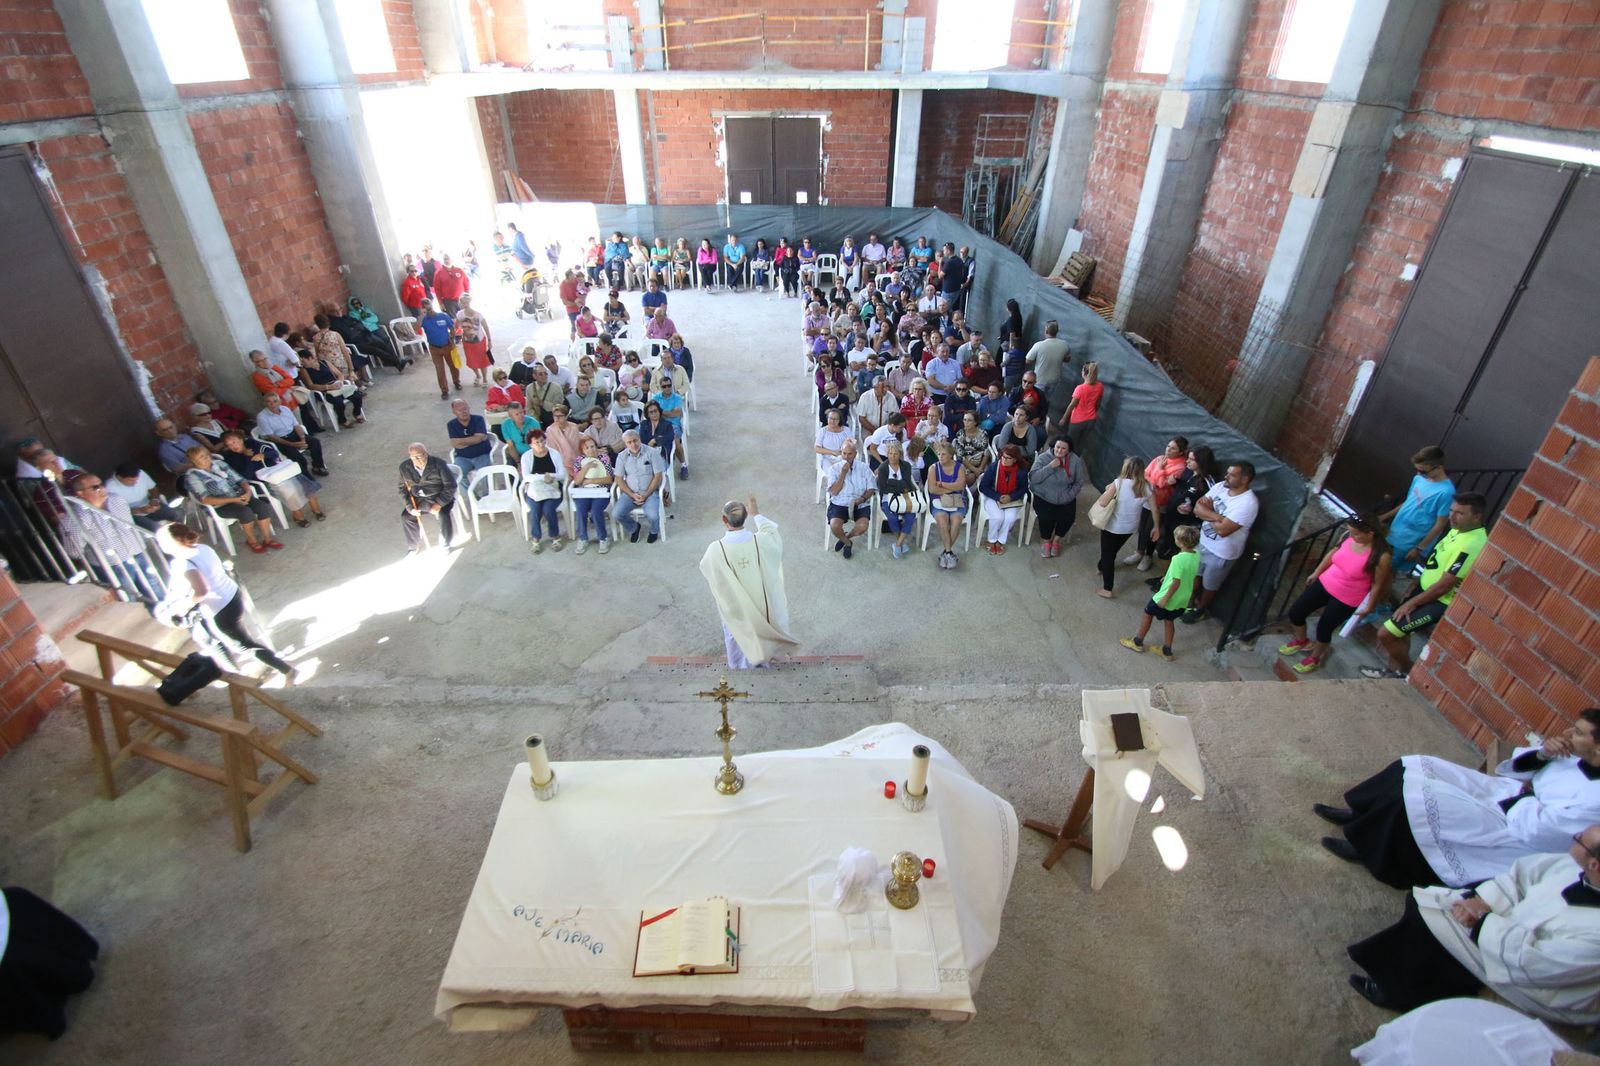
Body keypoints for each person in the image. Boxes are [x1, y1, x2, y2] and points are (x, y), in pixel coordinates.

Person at [1344, 823, 1600, 1022]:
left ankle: (1401, 993)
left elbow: (1538, 965)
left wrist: (1483, 920)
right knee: (1427, 901)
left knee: (1430, 922)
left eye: (1580, 839)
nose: (1574, 835)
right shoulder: (1573, 865)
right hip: (1504, 922)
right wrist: (1484, 901)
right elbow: (1522, 875)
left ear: (1595, 864)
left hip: (1539, 985)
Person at [1316, 710, 1600, 889]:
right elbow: (1516, 767)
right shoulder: (1573, 755)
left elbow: (1543, 831)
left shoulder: (1594, 801)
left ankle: (1367, 850)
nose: (1567, 734)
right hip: (1507, 795)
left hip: (1514, 830)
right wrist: (1543, 754)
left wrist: (1524, 798)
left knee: (1422, 798)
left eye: (1577, 732)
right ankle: (1361, 813)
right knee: (1415, 764)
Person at [1361, 492, 1489, 679]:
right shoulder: (1458, 529)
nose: (1452, 517)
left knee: (1386, 633)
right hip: (1424, 588)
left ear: (1476, 516)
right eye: (1451, 511)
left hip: (1438, 600)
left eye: (1460, 513)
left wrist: (1412, 603)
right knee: (1401, 633)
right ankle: (1393, 671)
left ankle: (1407, 670)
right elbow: (1438, 561)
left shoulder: (1472, 544)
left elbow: (1444, 585)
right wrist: (1417, 582)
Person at [155, 523, 292, 676]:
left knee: (243, 646)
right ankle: (234, 672)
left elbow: (202, 590)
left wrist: (185, 607)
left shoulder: (182, 563)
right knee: (207, 638)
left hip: (220, 608)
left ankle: (286, 670)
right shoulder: (202, 548)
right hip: (232, 594)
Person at [1277, 513, 1391, 674]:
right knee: (1296, 612)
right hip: (1326, 582)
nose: (1352, 536)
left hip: (1348, 597)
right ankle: (1301, 640)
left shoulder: (1381, 556)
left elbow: (1378, 584)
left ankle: (1316, 657)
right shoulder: (1347, 537)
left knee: (1324, 627)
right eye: (1350, 532)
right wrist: (1317, 572)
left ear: (1370, 533)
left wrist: (1369, 607)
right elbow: (1333, 553)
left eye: (1356, 534)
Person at [700, 495, 796, 669]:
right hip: (760, 601)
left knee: (736, 631)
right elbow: (773, 535)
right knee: (761, 628)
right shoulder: (760, 541)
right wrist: (757, 514)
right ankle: (764, 659)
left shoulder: (715, 549)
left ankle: (739, 665)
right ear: (746, 518)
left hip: (736, 605)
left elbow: (708, 570)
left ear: (724, 519)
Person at [58, 471, 161, 604]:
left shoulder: (116, 499)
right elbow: (74, 551)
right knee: (128, 597)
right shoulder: (74, 518)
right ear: (80, 493)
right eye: (95, 487)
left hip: (137, 552)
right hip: (114, 564)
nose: (102, 489)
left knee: (155, 587)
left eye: (101, 484)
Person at [1181, 461, 1259, 623]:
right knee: (1195, 573)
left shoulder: (1248, 503)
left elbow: (1224, 530)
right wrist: (1218, 517)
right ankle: (1189, 601)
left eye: (1232, 475)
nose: (1226, 477)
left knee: (1210, 585)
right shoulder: (1220, 487)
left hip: (1222, 553)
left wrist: (1209, 512)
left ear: (1244, 479)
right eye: (1227, 473)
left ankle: (1201, 609)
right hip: (1202, 542)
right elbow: (1197, 508)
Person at [1119, 525, 1202, 662]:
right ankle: (1167, 651)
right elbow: (1184, 574)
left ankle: (1137, 642)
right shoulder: (1196, 555)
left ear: (1180, 542)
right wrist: (1167, 576)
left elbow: (1175, 582)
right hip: (1181, 599)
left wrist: (1164, 599)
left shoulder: (1177, 559)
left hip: (1167, 597)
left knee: (1148, 613)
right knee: (1169, 621)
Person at [181, 445, 279, 554]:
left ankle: (267, 539)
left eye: (206, 455)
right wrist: (234, 500)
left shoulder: (219, 464)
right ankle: (252, 541)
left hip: (239, 495)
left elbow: (240, 479)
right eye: (201, 457)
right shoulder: (193, 476)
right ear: (194, 462)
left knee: (262, 507)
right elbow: (205, 499)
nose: (207, 458)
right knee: (245, 512)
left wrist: (247, 492)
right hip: (220, 504)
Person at [217, 429, 323, 528]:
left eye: (234, 442)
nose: (233, 446)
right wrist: (248, 458)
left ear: (241, 439)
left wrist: (263, 455)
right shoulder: (231, 457)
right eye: (229, 445)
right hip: (263, 481)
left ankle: (316, 510)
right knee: (289, 489)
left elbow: (274, 453)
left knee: (304, 482)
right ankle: (298, 515)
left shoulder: (252, 443)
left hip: (278, 471)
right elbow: (246, 476)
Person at [1381, 445, 1456, 572]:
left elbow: (1440, 525)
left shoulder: (1446, 492)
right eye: (1417, 470)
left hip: (1410, 543)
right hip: (1393, 533)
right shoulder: (1419, 479)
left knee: (1386, 573)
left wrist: (1419, 548)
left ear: (1439, 467)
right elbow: (1408, 502)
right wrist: (1385, 516)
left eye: (1423, 471)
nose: (1419, 473)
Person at [1091, 456, 1152, 599]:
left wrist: (1108, 490)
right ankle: (1101, 567)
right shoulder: (1147, 486)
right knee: (1112, 549)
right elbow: (1154, 509)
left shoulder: (1118, 483)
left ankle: (1107, 588)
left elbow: (1102, 502)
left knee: (1108, 555)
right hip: (1130, 528)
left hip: (1112, 526)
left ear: (1125, 468)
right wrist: (1156, 527)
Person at [1126, 437, 1189, 573]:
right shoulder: (1159, 458)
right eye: (1168, 446)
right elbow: (1145, 474)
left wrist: (1160, 470)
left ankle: (1148, 556)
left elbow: (1162, 484)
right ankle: (1139, 552)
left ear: (1180, 452)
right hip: (1147, 498)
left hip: (1162, 503)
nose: (1168, 449)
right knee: (1142, 527)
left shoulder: (1180, 467)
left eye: (1173, 448)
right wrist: (1157, 479)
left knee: (1152, 530)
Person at [1030, 436, 1087, 558]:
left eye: (1063, 448)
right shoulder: (1043, 458)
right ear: (1053, 446)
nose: (1059, 451)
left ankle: (1056, 540)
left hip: (1065, 496)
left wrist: (1069, 495)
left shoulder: (1075, 461)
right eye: (1057, 447)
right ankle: (1045, 540)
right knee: (1046, 517)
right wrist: (1050, 467)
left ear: (1069, 450)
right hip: (1044, 495)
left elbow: (1079, 482)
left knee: (1068, 517)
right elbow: (1034, 478)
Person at [399, 443, 457, 553]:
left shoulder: (439, 464)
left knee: (443, 515)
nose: (416, 459)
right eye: (413, 457)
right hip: (419, 500)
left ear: (426, 454)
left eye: (419, 456)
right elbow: (402, 489)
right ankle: (413, 547)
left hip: (439, 497)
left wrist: (439, 504)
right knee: (406, 517)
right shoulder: (404, 467)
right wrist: (410, 507)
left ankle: (445, 544)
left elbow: (451, 486)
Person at [254, 391, 327, 477]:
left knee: (315, 442)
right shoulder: (262, 417)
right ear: (264, 403)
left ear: (280, 401)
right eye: (268, 402)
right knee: (298, 458)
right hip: (280, 440)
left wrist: (302, 439)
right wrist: (293, 444)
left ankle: (318, 467)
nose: (272, 404)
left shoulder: (285, 409)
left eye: (275, 401)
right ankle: (307, 478)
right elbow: (272, 436)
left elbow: (296, 425)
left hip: (293, 433)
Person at [825, 438, 875, 560]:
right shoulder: (834, 469)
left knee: (862, 526)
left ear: (855, 454)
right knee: (834, 526)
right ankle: (848, 543)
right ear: (841, 453)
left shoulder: (864, 467)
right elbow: (834, 492)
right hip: (840, 502)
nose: (847, 457)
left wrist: (862, 499)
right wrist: (843, 473)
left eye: (850, 454)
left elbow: (871, 488)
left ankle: (846, 536)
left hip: (859, 502)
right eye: (844, 453)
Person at [612, 430, 665, 543]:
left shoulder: (652, 452)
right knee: (616, 513)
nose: (633, 445)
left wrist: (646, 494)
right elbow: (619, 479)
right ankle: (634, 528)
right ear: (625, 444)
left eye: (635, 441)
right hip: (630, 493)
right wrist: (632, 494)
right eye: (629, 442)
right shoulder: (622, 456)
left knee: (653, 516)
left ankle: (654, 531)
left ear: (639, 439)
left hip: (650, 492)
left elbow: (658, 476)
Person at [519, 429, 567, 554]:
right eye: (537, 442)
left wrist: (551, 477)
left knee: (548, 509)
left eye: (542, 441)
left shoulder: (554, 453)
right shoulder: (526, 457)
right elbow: (526, 477)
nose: (541, 444)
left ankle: (555, 536)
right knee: (535, 510)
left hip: (552, 487)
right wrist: (542, 477)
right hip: (535, 489)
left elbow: (562, 474)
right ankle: (536, 538)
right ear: (530, 444)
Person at [977, 444, 1029, 555]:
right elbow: (983, 486)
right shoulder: (994, 467)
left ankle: (1000, 540)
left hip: (1012, 498)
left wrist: (1011, 497)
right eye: (1003, 457)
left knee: (1010, 518)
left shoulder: (1021, 471)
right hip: (993, 496)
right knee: (997, 517)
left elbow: (1024, 488)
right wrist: (998, 497)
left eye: (1008, 458)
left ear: (1015, 460)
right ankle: (991, 540)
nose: (1004, 460)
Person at [926, 440, 970, 569]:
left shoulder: (960, 467)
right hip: (939, 501)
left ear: (951, 455)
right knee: (942, 521)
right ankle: (949, 552)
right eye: (939, 454)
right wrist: (952, 488)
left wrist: (943, 485)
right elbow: (932, 489)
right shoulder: (933, 468)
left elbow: (961, 486)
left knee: (956, 522)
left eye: (943, 454)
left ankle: (946, 552)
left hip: (957, 500)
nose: (940, 457)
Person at [568, 436, 614, 555]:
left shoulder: (604, 458)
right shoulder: (579, 460)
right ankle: (583, 538)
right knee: (581, 510)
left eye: (592, 446)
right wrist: (587, 467)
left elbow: (609, 479)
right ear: (582, 450)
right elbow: (577, 481)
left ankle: (603, 538)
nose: (591, 450)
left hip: (601, 491)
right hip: (583, 492)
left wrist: (589, 481)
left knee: (595, 511)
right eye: (587, 448)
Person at [299, 346, 364, 428]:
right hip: (323, 391)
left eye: (303, 360)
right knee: (338, 402)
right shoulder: (304, 370)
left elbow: (339, 374)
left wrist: (339, 382)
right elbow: (311, 386)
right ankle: (342, 420)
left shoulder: (324, 363)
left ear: (310, 358)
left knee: (357, 395)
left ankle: (357, 413)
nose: (301, 363)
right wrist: (328, 387)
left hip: (336, 385)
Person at [105, 462, 181, 531]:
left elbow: (153, 488)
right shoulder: (110, 488)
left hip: (149, 505)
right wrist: (140, 510)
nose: (135, 483)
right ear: (119, 478)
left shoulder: (140, 473)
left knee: (177, 514)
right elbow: (119, 512)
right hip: (134, 515)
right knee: (158, 529)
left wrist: (155, 501)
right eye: (131, 480)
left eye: (136, 480)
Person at [1026, 320, 1070, 418]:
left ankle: (1033, 418)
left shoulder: (1039, 345)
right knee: (1046, 401)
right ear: (1057, 331)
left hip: (1040, 379)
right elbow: (1067, 359)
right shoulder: (1064, 345)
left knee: (1034, 400)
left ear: (1046, 331)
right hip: (1055, 379)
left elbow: (1028, 360)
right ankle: (1042, 418)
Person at [1061, 361, 1104, 458]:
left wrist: (1064, 418)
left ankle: (1065, 460)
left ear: (1085, 373)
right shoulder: (1100, 386)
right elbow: (1098, 403)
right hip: (1091, 419)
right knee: (1081, 444)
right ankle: (1074, 462)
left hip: (1077, 420)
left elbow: (1072, 405)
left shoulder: (1080, 388)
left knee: (1069, 442)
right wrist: (1093, 413)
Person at [420, 299, 461, 400]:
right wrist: (421, 316)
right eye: (425, 307)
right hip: (434, 348)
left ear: (431, 305)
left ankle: (456, 382)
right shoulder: (423, 320)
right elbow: (415, 328)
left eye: (428, 305)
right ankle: (444, 390)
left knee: (453, 366)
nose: (428, 308)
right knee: (440, 369)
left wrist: (452, 338)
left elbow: (451, 327)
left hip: (447, 345)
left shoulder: (443, 316)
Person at [446, 401, 493, 480]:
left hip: (481, 455)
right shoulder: (451, 424)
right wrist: (475, 439)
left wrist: (461, 442)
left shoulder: (478, 419)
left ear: (469, 408)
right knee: (456, 475)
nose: (464, 412)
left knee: (484, 475)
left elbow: (479, 438)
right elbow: (454, 443)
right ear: (454, 412)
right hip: (462, 457)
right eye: (460, 410)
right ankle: (468, 492)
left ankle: (485, 492)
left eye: (465, 409)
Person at [455, 293, 491, 387]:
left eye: (465, 302)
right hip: (467, 342)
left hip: (479, 341)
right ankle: (478, 376)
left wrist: (489, 340)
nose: (464, 304)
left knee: (482, 361)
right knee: (471, 361)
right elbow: (456, 326)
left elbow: (485, 327)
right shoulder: (460, 314)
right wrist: (455, 335)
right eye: (462, 302)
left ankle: (485, 378)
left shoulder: (478, 314)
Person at [495, 402, 540, 467]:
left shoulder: (534, 423)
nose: (521, 416)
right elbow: (511, 445)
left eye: (521, 412)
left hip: (533, 452)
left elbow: (538, 444)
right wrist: (518, 462)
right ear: (511, 417)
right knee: (510, 466)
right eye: (517, 414)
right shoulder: (506, 425)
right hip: (517, 453)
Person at [951, 411, 989, 482]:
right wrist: (975, 470)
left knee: (987, 478)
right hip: (966, 465)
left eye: (969, 420)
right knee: (970, 478)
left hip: (981, 465)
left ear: (975, 422)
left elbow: (986, 453)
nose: (966, 422)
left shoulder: (983, 433)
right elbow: (961, 457)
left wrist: (980, 468)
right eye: (965, 420)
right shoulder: (960, 434)